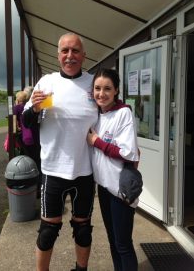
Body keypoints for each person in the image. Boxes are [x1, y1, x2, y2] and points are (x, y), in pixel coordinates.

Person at [22, 33, 98, 271]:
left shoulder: (93, 83)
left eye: (75, 51)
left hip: (85, 170)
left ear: (84, 55)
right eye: (65, 51)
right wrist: (34, 109)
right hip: (53, 170)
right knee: (48, 231)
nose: (70, 56)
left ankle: (81, 269)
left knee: (83, 229)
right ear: (58, 56)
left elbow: (114, 110)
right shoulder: (47, 82)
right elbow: (25, 121)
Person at [87, 68, 139, 271]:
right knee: (113, 241)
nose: (101, 93)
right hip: (104, 188)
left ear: (116, 90)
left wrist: (96, 141)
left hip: (120, 190)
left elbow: (128, 153)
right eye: (97, 88)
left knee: (123, 244)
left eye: (107, 88)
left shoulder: (123, 113)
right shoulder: (97, 115)